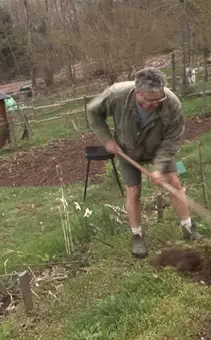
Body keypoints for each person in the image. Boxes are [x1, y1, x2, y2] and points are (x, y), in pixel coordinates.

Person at [86, 67, 201, 259]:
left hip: (158, 148)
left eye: (159, 100)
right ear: (137, 93)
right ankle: (137, 235)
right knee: (134, 190)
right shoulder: (117, 94)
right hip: (127, 148)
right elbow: (93, 111)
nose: (155, 104)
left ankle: (188, 227)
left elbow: (173, 138)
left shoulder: (172, 103)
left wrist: (158, 167)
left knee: (173, 181)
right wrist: (106, 140)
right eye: (150, 100)